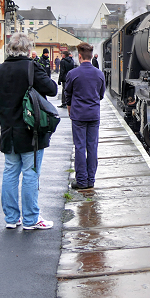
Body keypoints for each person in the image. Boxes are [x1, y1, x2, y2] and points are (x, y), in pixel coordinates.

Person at [0, 33, 58, 230]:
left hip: (7, 129)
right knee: (30, 173)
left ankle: (11, 218)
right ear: (28, 50)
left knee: (10, 172)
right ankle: (31, 219)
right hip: (31, 131)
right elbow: (52, 89)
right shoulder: (31, 67)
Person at [65, 42, 106, 190]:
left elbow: (68, 95)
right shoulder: (99, 74)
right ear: (90, 56)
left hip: (78, 115)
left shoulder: (72, 74)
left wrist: (70, 109)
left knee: (80, 147)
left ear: (80, 56)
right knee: (92, 147)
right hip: (94, 115)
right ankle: (91, 180)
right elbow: (101, 95)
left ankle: (81, 181)